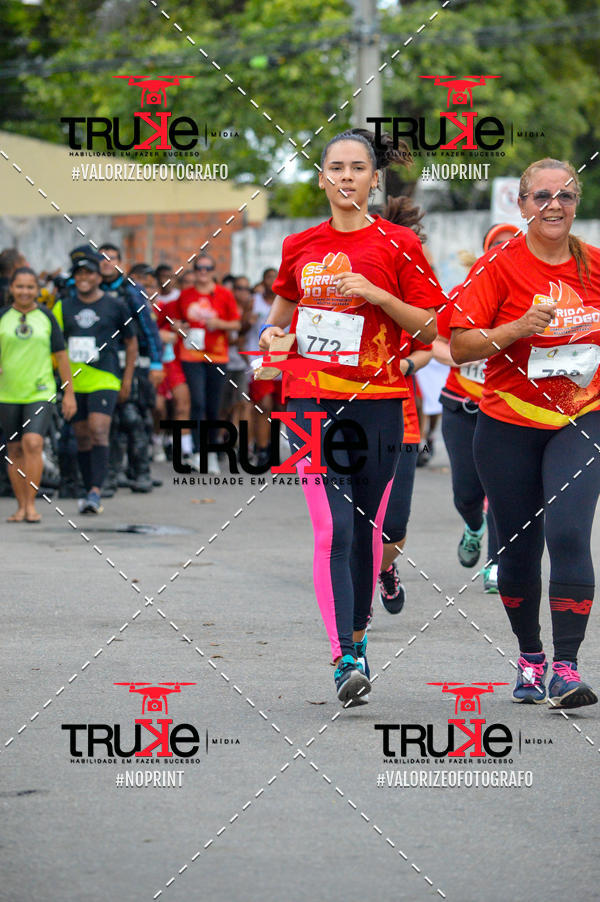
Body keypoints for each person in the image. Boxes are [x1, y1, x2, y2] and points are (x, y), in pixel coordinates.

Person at [259, 128, 443, 705]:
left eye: (356, 167)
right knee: (331, 528)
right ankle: (343, 657)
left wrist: (377, 294)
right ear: (321, 178)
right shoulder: (299, 244)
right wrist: (271, 344)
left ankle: (360, 643)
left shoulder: (398, 245)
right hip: (310, 400)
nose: (344, 176)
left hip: (381, 402)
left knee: (364, 531)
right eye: (334, 167)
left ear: (373, 178)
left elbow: (432, 328)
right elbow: (282, 314)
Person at [451, 158, 600, 709]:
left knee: (567, 534)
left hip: (581, 419)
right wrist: (516, 329)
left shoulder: (595, 267)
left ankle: (566, 666)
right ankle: (531, 658)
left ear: (577, 201)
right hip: (507, 424)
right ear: (522, 205)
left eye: (564, 195)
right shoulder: (499, 267)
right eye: (541, 197)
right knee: (517, 553)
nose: (553, 205)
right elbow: (462, 346)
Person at [433, 223, 520, 592]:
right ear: (484, 253)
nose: (503, 250)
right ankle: (473, 526)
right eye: (495, 245)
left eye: (511, 245)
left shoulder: (530, 299)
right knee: (467, 494)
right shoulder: (462, 294)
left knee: (502, 489)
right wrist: (459, 356)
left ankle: (498, 564)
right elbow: (434, 341)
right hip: (461, 407)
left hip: (506, 409)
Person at [53, 250, 138, 513]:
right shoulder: (63, 306)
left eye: (89, 272)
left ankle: (95, 491)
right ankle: (88, 488)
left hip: (105, 377)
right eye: (79, 273)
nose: (84, 278)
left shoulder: (115, 305)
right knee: (82, 436)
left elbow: (131, 343)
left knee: (98, 428)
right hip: (74, 380)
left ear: (98, 276)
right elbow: (56, 346)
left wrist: (127, 380)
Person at [0, 266, 76, 522]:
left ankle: (31, 505)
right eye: (19, 286)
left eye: (30, 287)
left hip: (40, 391)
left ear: (38, 289)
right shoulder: (3, 317)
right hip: (8, 393)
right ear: (11, 289)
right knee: (14, 449)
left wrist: (69, 393)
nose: (25, 291)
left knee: (33, 442)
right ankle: (20, 505)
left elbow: (61, 356)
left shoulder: (46, 316)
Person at [99, 245, 163, 495]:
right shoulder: (89, 289)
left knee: (135, 418)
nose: (105, 263)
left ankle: (141, 472)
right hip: (105, 364)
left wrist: (156, 362)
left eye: (111, 258)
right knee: (110, 420)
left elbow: (148, 328)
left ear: (120, 262)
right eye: (101, 259)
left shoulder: (131, 291)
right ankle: (112, 475)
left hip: (135, 363)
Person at [174, 254, 240, 474]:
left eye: (207, 268)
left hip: (217, 355)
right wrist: (179, 326)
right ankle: (196, 450)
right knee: (198, 403)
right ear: (194, 271)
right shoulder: (185, 295)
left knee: (214, 406)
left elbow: (236, 323)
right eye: (199, 268)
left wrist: (218, 322)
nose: (203, 272)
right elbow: (174, 320)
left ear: (213, 270)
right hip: (191, 355)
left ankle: (211, 451)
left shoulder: (224, 294)